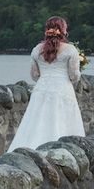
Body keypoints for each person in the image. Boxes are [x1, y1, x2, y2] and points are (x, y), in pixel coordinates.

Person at [9, 16, 86, 150]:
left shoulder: (36, 50)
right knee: (62, 122)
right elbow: (74, 76)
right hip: (62, 90)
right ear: (63, 30)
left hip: (41, 90)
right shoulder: (70, 50)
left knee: (36, 122)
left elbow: (34, 75)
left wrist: (46, 77)